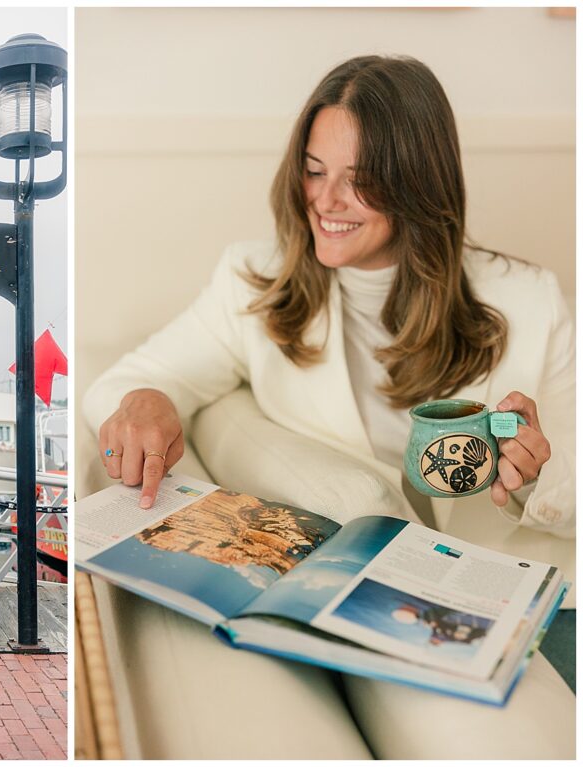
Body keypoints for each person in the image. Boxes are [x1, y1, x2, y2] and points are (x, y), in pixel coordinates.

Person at [83, 55, 574, 758]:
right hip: (352, 599)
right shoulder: (251, 284)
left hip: (528, 607)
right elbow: (131, 380)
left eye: (361, 181)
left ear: (419, 183)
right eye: (314, 169)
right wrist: (145, 400)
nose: (327, 199)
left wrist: (535, 477)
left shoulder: (530, 302)